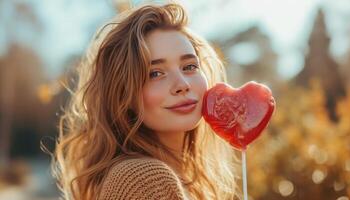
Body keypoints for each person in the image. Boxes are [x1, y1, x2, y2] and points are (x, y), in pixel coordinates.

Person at [52, 2, 240, 200]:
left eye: (189, 66)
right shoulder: (143, 180)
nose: (182, 84)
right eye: (155, 73)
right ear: (124, 94)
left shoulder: (180, 180)